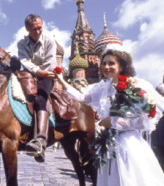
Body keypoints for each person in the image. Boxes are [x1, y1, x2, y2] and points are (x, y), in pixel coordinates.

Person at [55, 48, 164, 185]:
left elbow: (142, 120)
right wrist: (60, 80)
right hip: (108, 145)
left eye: (111, 63)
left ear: (122, 66)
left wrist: (113, 121)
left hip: (128, 144)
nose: (106, 67)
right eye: (104, 63)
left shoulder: (135, 85)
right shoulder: (103, 87)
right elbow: (83, 97)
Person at [17, 14, 57, 162]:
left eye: (39, 28)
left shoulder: (50, 40)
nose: (38, 31)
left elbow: (50, 62)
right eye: (34, 29)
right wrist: (34, 72)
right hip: (29, 73)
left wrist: (40, 73)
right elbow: (24, 61)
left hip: (47, 74)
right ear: (27, 29)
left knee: (40, 98)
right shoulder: (21, 43)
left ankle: (40, 140)